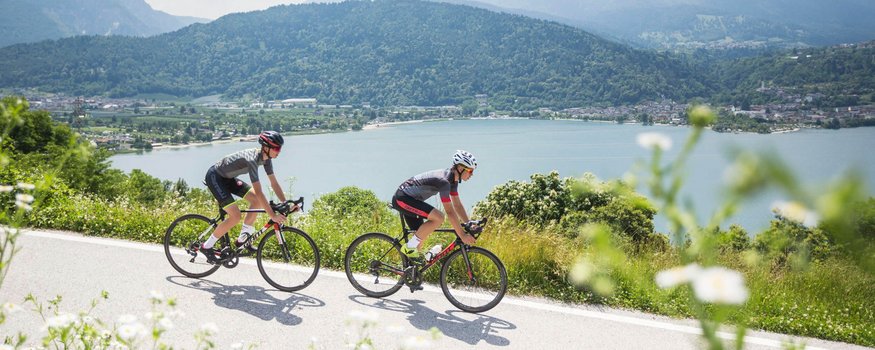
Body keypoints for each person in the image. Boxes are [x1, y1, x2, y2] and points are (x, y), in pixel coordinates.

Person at [200, 130, 292, 263]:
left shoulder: (267, 159)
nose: (279, 151)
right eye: (277, 148)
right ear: (266, 147)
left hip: (228, 178)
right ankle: (206, 246)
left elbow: (274, 183)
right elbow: (259, 191)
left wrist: (285, 203)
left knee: (256, 201)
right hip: (215, 177)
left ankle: (242, 240)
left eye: (280, 148)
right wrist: (272, 216)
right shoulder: (252, 160)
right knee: (235, 215)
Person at [392, 150, 479, 260]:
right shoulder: (444, 181)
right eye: (470, 171)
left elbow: (457, 205)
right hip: (402, 198)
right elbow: (450, 211)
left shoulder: (453, 180)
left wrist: (468, 223)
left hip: (412, 200)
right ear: (461, 169)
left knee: (419, 241)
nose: (472, 174)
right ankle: (408, 248)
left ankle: (409, 273)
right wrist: (462, 235)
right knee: (439, 217)